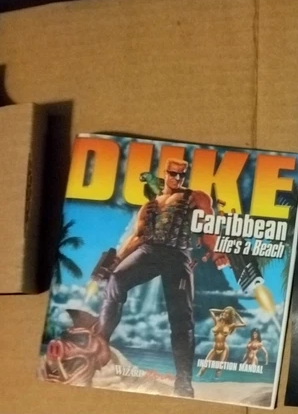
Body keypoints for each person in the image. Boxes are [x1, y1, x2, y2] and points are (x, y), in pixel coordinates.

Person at [95, 159, 227, 397]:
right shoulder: (150, 205)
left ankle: (183, 380)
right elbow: (138, 236)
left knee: (181, 318)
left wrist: (216, 251)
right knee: (117, 279)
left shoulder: (196, 197)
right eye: (173, 174)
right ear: (164, 174)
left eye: (182, 175)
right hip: (149, 251)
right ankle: (99, 345)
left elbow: (209, 227)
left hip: (178, 254)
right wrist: (118, 259)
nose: (177, 178)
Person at [199, 307, 246, 378]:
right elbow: (211, 310)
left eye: (227, 313)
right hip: (215, 348)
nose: (224, 314)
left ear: (229, 316)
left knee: (219, 370)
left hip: (224, 349)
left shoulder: (230, 325)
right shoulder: (216, 321)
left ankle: (217, 382)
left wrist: (237, 315)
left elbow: (244, 324)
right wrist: (222, 310)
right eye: (224, 312)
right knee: (203, 368)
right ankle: (198, 379)